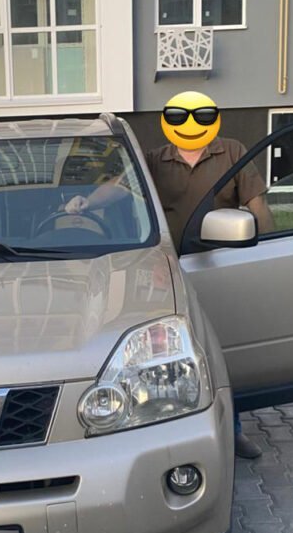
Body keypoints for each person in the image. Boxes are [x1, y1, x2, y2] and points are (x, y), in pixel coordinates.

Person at [65, 90, 273, 460]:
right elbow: (119, 188)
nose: (190, 124)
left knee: (221, 350)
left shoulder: (231, 151)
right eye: (179, 117)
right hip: (166, 271)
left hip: (220, 266)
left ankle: (233, 430)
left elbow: (257, 206)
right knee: (172, 354)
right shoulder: (155, 159)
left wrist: (269, 250)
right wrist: (88, 202)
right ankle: (171, 437)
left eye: (199, 116)